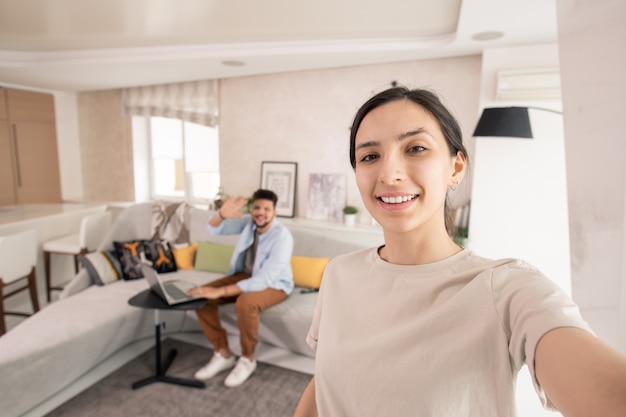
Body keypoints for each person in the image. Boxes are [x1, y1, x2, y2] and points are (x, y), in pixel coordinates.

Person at [293, 87, 626, 416]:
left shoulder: (506, 289)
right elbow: (323, 383)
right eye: (369, 156)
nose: (389, 174)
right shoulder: (339, 273)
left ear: (456, 168)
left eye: (416, 148)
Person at [188, 188, 294, 387]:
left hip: (275, 284)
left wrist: (220, 291)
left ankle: (247, 359)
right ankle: (223, 353)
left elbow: (265, 278)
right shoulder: (248, 223)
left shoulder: (283, 237)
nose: (260, 212)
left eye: (266, 209)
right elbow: (214, 229)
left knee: (245, 304)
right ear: (251, 209)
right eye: (256, 207)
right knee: (200, 296)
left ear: (274, 213)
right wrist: (221, 215)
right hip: (245, 276)